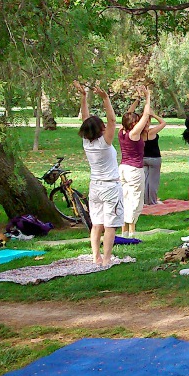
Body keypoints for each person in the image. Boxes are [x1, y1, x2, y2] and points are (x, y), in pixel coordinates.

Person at [74, 81, 122, 266]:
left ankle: (96, 257)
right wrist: (106, 99)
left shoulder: (87, 143)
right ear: (100, 129)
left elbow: (86, 119)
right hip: (110, 186)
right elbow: (112, 121)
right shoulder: (105, 142)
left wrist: (84, 98)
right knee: (110, 225)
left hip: (95, 187)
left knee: (97, 224)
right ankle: (107, 259)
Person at [118, 87, 152, 238]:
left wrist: (137, 100)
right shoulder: (134, 133)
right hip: (134, 170)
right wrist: (147, 97)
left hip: (123, 168)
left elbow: (127, 115)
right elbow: (145, 115)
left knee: (124, 197)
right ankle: (131, 232)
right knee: (135, 198)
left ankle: (124, 230)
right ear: (133, 124)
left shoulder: (121, 131)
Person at [138, 105, 167, 206]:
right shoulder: (151, 132)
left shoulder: (138, 133)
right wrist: (154, 115)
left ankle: (145, 201)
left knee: (145, 181)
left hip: (143, 158)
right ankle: (152, 201)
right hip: (154, 158)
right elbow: (163, 123)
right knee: (153, 182)